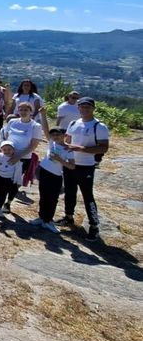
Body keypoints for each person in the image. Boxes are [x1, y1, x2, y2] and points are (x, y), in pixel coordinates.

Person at [63, 96, 110, 240]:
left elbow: (103, 148)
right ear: (78, 108)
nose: (84, 109)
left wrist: (80, 148)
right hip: (70, 163)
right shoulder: (73, 123)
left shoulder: (99, 126)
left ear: (93, 108)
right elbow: (68, 140)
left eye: (87, 107)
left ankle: (94, 226)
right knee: (69, 191)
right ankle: (69, 217)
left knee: (87, 195)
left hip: (86, 166)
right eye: (82, 107)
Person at [30, 122, 75, 233]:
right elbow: (45, 128)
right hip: (44, 172)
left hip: (55, 176)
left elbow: (72, 166)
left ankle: (48, 220)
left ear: (64, 135)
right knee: (43, 196)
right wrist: (43, 114)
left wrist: (60, 160)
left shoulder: (68, 149)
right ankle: (42, 218)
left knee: (52, 199)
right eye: (53, 135)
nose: (55, 136)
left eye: (58, 134)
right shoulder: (51, 143)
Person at [1, 103, 42, 178]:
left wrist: (18, 157)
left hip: (23, 158)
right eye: (21, 110)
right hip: (8, 155)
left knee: (15, 180)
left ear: (31, 111)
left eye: (26, 110)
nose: (23, 112)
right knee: (3, 177)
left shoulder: (36, 126)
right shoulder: (12, 122)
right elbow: (6, 138)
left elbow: (33, 145)